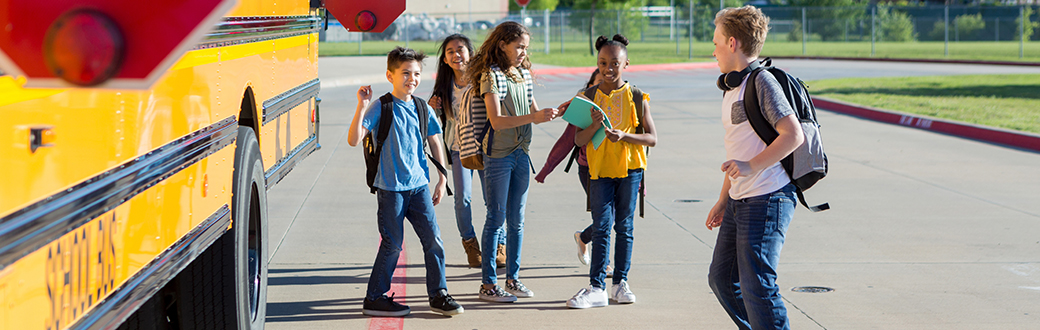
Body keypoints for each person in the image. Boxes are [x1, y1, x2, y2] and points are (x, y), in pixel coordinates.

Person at [705, 6, 805, 329]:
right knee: (722, 279)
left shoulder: (762, 82)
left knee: (758, 287)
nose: (714, 49)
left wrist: (750, 166)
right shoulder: (731, 87)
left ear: (732, 44)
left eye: (717, 41)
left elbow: (793, 135)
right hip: (739, 200)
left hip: (768, 198)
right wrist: (723, 199)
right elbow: (738, 152)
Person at [346, 46, 463, 317]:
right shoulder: (381, 107)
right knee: (392, 244)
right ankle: (375, 297)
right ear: (390, 75)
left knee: (433, 240)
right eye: (405, 73)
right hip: (391, 190)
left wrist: (442, 179)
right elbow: (354, 140)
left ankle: (439, 294)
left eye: (417, 73)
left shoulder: (422, 107)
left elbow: (436, 141)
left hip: (419, 187)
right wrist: (362, 106)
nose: (412, 78)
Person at [466, 21, 559, 303]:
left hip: (521, 153)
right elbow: (496, 121)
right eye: (518, 46)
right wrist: (534, 117)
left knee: (516, 221)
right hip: (499, 154)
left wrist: (552, 112)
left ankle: (513, 279)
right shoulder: (490, 76)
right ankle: (488, 285)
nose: (522, 52)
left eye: (525, 48)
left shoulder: (523, 74)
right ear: (502, 44)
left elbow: (532, 109)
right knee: (496, 219)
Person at [566, 34, 656, 309]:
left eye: (615, 63)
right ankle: (596, 287)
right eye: (603, 62)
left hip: (630, 171)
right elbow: (578, 141)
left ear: (626, 63)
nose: (608, 68)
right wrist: (593, 126)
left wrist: (625, 136)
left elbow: (652, 138)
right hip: (600, 172)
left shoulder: (637, 97)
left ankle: (620, 283)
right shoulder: (589, 97)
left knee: (624, 227)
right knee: (602, 227)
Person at [428, 34, 507, 269]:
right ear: (444, 59)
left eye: (460, 49)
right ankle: (470, 245)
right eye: (450, 51)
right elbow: (439, 123)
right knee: (462, 198)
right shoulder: (443, 86)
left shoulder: (482, 79)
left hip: (487, 147)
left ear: (470, 54)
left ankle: (499, 245)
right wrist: (435, 108)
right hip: (459, 148)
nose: (456, 54)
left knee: (493, 199)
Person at [533, 69, 613, 276]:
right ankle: (604, 263)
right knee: (605, 216)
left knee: (613, 215)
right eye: (597, 84)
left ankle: (584, 237)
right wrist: (545, 170)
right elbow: (568, 141)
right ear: (589, 87)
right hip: (589, 169)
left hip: (614, 167)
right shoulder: (583, 108)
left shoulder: (620, 104)